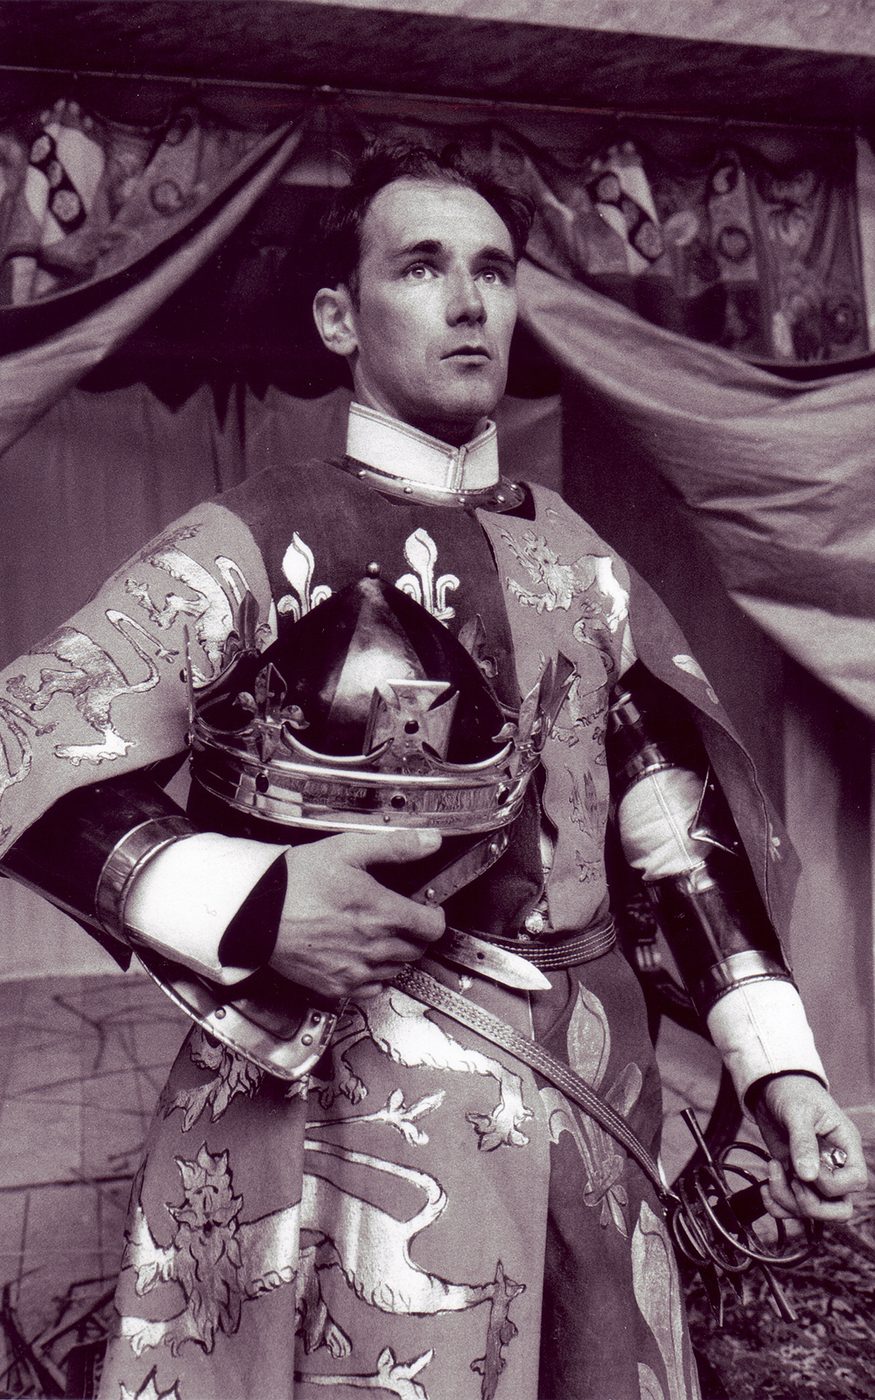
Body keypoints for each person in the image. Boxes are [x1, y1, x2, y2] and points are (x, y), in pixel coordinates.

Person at [0, 141, 866, 1400]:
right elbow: (22, 734)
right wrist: (253, 902)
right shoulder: (257, 534)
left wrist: (778, 1071)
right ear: (339, 316)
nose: (469, 302)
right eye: (420, 267)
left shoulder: (581, 558)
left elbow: (668, 828)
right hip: (339, 1123)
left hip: (590, 1110)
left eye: (493, 271)